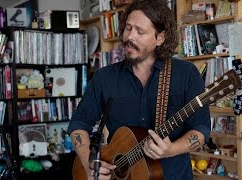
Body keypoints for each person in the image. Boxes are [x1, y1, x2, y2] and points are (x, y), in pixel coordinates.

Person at [67, 0, 211, 179]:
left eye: (140, 31)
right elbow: (79, 123)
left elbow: (202, 129)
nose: (130, 37)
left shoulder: (186, 74)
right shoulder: (104, 77)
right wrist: (88, 161)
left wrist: (171, 150)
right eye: (128, 28)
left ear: (160, 38)